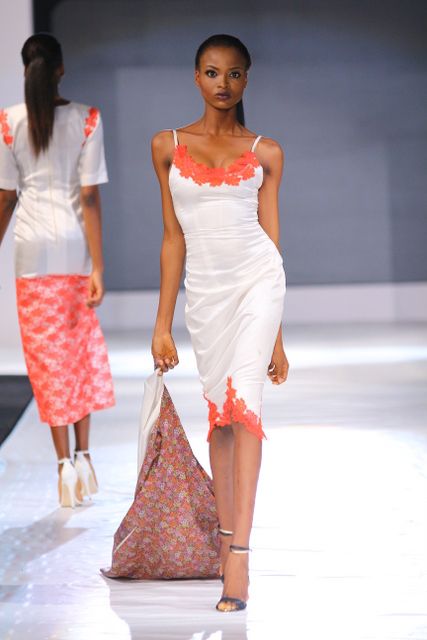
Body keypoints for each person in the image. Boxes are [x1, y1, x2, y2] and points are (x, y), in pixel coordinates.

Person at [151, 34, 288, 612]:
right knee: (221, 421)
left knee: (246, 407)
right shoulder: (167, 145)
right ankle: (226, 537)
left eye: (233, 74)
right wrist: (162, 323)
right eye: (212, 72)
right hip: (205, 297)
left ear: (246, 80)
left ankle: (240, 560)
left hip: (258, 282)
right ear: (196, 77)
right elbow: (172, 238)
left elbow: (272, 240)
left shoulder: (265, 152)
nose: (222, 83)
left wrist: (277, 335)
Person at [0, 34, 115, 508]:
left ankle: (63, 463)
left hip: (31, 252)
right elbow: (89, 196)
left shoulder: (9, 122)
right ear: (61, 69)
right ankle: (85, 456)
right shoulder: (87, 119)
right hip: (73, 250)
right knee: (78, 352)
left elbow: (6, 199)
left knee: (47, 362)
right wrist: (98, 267)